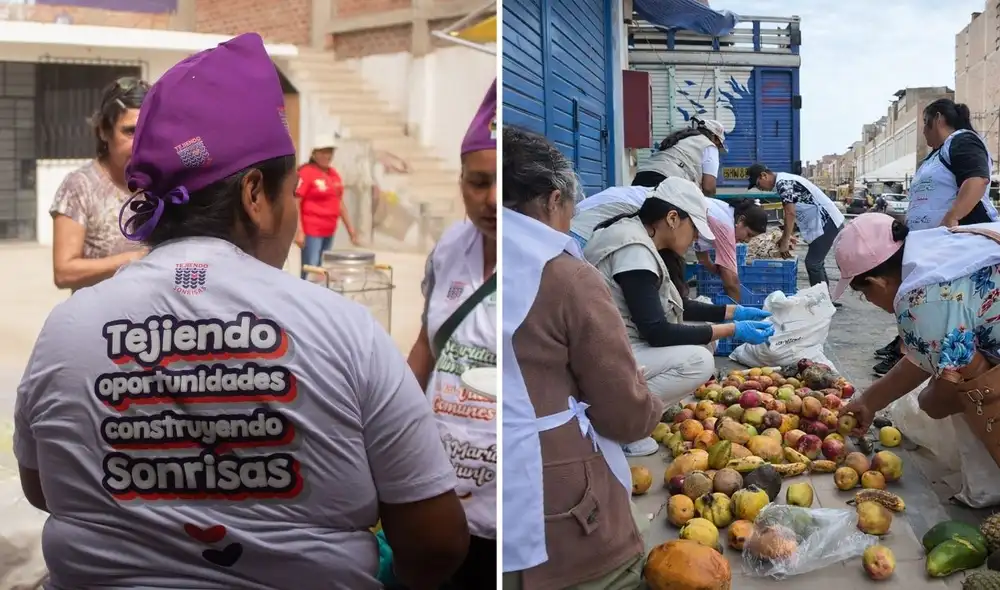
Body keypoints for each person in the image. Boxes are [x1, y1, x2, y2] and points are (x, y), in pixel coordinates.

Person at [14, 33, 469, 590]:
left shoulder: (67, 329)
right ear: (256, 194)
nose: (297, 207)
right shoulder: (343, 329)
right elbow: (437, 541)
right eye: (292, 190)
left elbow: (42, 488)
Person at [501, 126, 662, 590]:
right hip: (556, 510)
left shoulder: (457, 255)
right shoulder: (566, 276)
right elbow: (623, 414)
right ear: (554, 201)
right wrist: (650, 405)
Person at [584, 178, 774, 456]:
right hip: (602, 357)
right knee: (699, 361)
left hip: (615, 344)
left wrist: (732, 312)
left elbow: (676, 305)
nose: (695, 239)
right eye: (694, 230)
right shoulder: (634, 251)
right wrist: (732, 329)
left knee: (702, 337)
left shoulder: (640, 240)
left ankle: (633, 409)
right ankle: (620, 424)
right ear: (673, 218)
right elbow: (657, 331)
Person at [406, 79, 498, 589]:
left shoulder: (545, 265)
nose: (490, 199)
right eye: (477, 182)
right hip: (440, 479)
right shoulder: (449, 248)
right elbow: (427, 340)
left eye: (502, 181)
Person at [835, 213, 1000, 478]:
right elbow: (924, 353)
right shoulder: (940, 244)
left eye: (865, 294)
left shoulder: (921, 302)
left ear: (878, 282)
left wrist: (926, 400)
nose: (869, 301)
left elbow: (945, 400)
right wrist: (870, 401)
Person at [872, 99, 1000, 376]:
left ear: (938, 118)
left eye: (924, 125)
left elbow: (977, 179)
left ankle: (928, 363)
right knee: (923, 305)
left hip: (959, 248)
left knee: (943, 310)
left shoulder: (962, 141)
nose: (923, 133)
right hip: (933, 248)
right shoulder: (935, 154)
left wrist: (951, 219)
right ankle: (909, 353)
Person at [50, 77, 150, 290]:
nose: (141, 142)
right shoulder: (80, 186)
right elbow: (64, 272)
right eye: (130, 131)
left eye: (147, 130)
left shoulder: (163, 183)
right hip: (99, 319)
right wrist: (135, 259)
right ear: (103, 131)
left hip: (151, 319)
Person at [748, 163, 845, 296]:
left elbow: (790, 213)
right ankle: (825, 297)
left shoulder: (783, 183)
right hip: (823, 222)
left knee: (813, 263)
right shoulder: (784, 182)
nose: (761, 189)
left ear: (764, 175)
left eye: (758, 185)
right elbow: (795, 212)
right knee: (816, 263)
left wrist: (785, 241)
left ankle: (822, 301)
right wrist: (784, 236)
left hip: (827, 221)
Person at [295, 132, 359, 278]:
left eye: (329, 152)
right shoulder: (307, 172)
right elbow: (296, 201)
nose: (326, 156)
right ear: (315, 153)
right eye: (323, 152)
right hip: (312, 231)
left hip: (329, 231)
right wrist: (299, 230)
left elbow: (339, 202)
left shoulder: (333, 174)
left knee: (322, 272)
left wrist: (350, 229)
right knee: (310, 270)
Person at [693, 198, 769, 302]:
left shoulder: (725, 212)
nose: (747, 240)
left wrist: (713, 268)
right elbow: (731, 283)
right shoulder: (726, 226)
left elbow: (701, 250)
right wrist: (739, 311)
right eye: (749, 234)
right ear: (741, 220)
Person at [632, 117, 728, 196]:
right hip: (667, 183)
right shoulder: (709, 146)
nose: (718, 148)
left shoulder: (679, 139)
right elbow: (709, 188)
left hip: (641, 176)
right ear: (714, 137)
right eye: (719, 144)